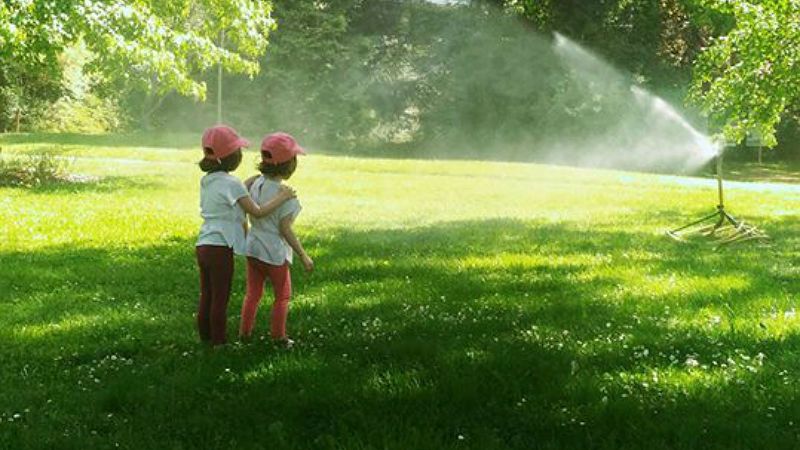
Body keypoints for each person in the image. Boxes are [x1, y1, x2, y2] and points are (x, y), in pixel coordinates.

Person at [195, 125, 295, 346]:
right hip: (221, 248)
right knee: (220, 298)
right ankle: (219, 343)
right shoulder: (232, 184)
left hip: (203, 244)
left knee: (207, 294)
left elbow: (234, 191)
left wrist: (249, 182)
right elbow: (257, 212)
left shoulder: (208, 180)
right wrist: (282, 197)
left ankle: (205, 339)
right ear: (233, 157)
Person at [239, 132, 313, 349]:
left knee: (252, 294)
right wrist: (303, 255)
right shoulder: (287, 196)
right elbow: (285, 229)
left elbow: (242, 192)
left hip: (253, 247)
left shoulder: (254, 184)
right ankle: (279, 337)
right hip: (274, 254)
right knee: (282, 296)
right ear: (290, 165)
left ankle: (244, 334)